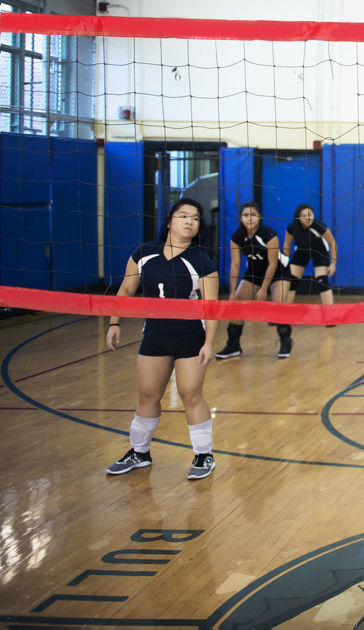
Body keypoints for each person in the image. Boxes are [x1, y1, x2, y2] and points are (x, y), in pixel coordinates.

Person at [104, 197, 220, 480]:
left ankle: (204, 455)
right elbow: (126, 289)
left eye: (195, 218)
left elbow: (212, 307)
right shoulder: (144, 254)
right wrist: (115, 322)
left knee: (190, 394)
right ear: (169, 221)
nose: (190, 221)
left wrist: (209, 343)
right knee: (147, 394)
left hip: (190, 336)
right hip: (155, 335)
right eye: (183, 216)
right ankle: (139, 452)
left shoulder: (203, 262)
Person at [219, 201, 292, 359]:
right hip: (254, 272)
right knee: (237, 304)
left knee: (279, 305)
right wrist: (232, 292)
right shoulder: (237, 237)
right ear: (240, 218)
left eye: (253, 215)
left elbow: (273, 263)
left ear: (259, 217)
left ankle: (286, 341)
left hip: (279, 272)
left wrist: (264, 289)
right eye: (246, 215)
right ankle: (233, 346)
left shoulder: (269, 234)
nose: (249, 218)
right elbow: (235, 264)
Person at [281, 203, 337, 323]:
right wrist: (284, 262)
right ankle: (284, 314)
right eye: (304, 216)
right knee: (292, 280)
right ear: (298, 218)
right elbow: (286, 244)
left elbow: (332, 243)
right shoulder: (292, 228)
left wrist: (333, 263)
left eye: (310, 215)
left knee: (321, 280)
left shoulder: (319, 226)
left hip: (320, 251)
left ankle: (330, 316)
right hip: (302, 251)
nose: (308, 218)